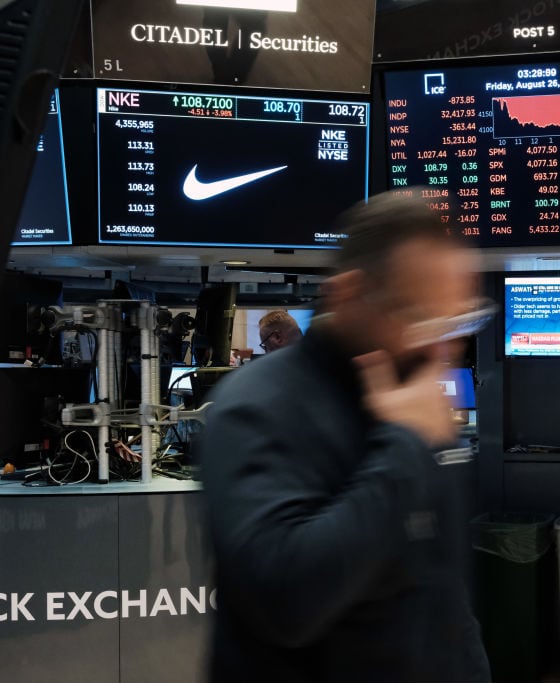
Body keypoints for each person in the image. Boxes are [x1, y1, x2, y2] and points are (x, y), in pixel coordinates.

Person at [199, 191, 492, 682]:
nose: (445, 347)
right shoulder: (257, 406)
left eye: (458, 320)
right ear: (350, 295)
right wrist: (405, 446)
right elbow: (285, 602)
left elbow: (442, 599)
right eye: (421, 319)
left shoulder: (411, 396)